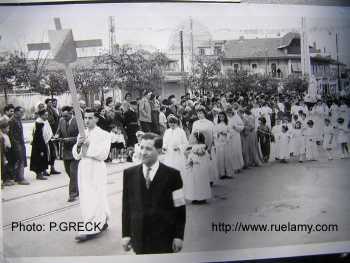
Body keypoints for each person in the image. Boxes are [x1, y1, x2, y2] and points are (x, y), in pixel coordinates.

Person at [122, 132, 186, 254]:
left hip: (164, 238)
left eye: (148, 148)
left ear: (159, 151)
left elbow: (180, 209)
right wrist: (126, 234)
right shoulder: (129, 174)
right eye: (141, 147)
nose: (143, 152)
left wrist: (178, 236)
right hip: (139, 238)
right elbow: (126, 207)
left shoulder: (173, 175)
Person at [72, 109, 111, 242]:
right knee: (86, 196)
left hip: (97, 167)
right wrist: (78, 145)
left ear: (96, 119)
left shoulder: (104, 134)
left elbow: (104, 154)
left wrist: (90, 145)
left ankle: (91, 227)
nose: (87, 121)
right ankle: (103, 218)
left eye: (90, 118)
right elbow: (76, 155)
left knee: (96, 195)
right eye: (85, 118)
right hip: (84, 168)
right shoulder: (82, 134)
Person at [55, 106, 79, 202]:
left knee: (73, 173)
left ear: (71, 113)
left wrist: (68, 139)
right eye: (63, 116)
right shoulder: (61, 121)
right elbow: (58, 132)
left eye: (66, 116)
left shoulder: (78, 121)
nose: (64, 118)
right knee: (68, 171)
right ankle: (78, 188)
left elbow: (81, 136)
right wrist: (55, 137)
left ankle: (72, 194)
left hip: (75, 151)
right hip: (66, 151)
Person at [185, 132, 212, 204]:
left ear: (197, 139)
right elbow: (206, 157)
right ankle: (202, 197)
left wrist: (190, 161)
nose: (192, 140)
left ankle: (198, 197)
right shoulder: (204, 147)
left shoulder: (196, 147)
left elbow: (193, 157)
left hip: (196, 167)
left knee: (196, 182)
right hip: (202, 167)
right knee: (202, 182)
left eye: (194, 138)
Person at [162, 115, 188, 187]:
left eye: (173, 123)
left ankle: (180, 182)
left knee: (178, 168)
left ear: (176, 123)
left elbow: (185, 143)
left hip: (178, 154)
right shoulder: (167, 132)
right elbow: (165, 142)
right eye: (170, 123)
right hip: (169, 154)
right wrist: (164, 147)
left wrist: (179, 147)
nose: (172, 124)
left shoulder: (181, 131)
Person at [8, 106, 30, 185]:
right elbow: (11, 135)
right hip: (16, 144)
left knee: (21, 161)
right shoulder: (12, 121)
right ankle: (20, 178)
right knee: (20, 161)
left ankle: (18, 177)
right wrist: (16, 146)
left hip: (20, 143)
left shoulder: (18, 119)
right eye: (21, 112)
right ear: (16, 112)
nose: (22, 113)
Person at [30, 109, 50, 180]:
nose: (47, 116)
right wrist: (41, 148)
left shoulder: (42, 122)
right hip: (39, 145)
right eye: (45, 115)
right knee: (39, 158)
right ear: (41, 115)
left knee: (43, 158)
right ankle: (39, 174)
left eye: (47, 115)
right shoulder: (39, 123)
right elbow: (38, 137)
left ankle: (42, 171)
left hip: (42, 143)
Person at [45, 98, 60, 175]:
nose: (51, 104)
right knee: (50, 152)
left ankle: (52, 168)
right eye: (49, 102)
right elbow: (50, 120)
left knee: (53, 151)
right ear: (46, 103)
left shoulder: (53, 109)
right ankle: (47, 169)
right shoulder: (46, 111)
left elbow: (57, 116)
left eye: (51, 102)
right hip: (49, 131)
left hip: (53, 130)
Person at [0, 117, 15, 187]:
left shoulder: (5, 135)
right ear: (2, 129)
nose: (8, 130)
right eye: (7, 128)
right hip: (4, 153)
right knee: (4, 168)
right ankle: (5, 180)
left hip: (7, 152)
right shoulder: (2, 136)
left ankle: (7, 179)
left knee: (7, 167)